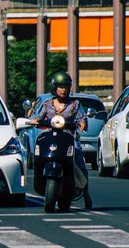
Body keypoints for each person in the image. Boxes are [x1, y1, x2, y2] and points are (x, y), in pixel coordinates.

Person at [29, 72, 93, 209]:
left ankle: (85, 192)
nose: (63, 90)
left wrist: (82, 123)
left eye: (65, 87)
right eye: (60, 87)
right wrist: (35, 121)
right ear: (55, 88)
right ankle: (40, 178)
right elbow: (39, 117)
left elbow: (82, 118)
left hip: (69, 137)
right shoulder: (47, 104)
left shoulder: (75, 104)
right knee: (39, 154)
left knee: (80, 161)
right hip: (50, 136)